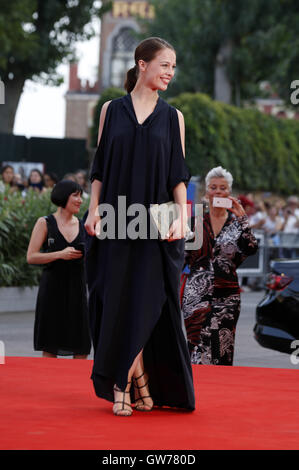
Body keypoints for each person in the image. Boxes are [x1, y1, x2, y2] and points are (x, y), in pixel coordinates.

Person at [84, 37, 195, 416]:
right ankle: (135, 380)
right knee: (117, 302)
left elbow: (178, 175)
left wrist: (182, 216)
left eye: (174, 67)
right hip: (116, 219)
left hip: (157, 223)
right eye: (165, 64)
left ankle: (124, 383)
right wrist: (93, 209)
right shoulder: (110, 112)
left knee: (148, 304)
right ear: (142, 64)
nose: (170, 72)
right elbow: (99, 169)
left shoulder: (174, 117)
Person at [181, 166, 258, 366]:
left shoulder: (235, 223)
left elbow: (251, 248)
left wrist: (243, 219)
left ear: (229, 193)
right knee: (196, 350)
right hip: (196, 297)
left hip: (227, 297)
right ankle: (194, 394)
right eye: (213, 187)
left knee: (221, 351)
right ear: (206, 192)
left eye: (222, 188)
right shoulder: (194, 222)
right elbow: (179, 258)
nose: (217, 191)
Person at [27, 180, 91, 359]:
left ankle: (76, 386)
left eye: (81, 196)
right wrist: (59, 254)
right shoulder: (45, 223)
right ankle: (47, 385)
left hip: (77, 289)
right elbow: (31, 256)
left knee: (81, 346)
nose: (80, 200)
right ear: (63, 197)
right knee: (50, 344)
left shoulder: (83, 224)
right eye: (75, 195)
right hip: (52, 290)